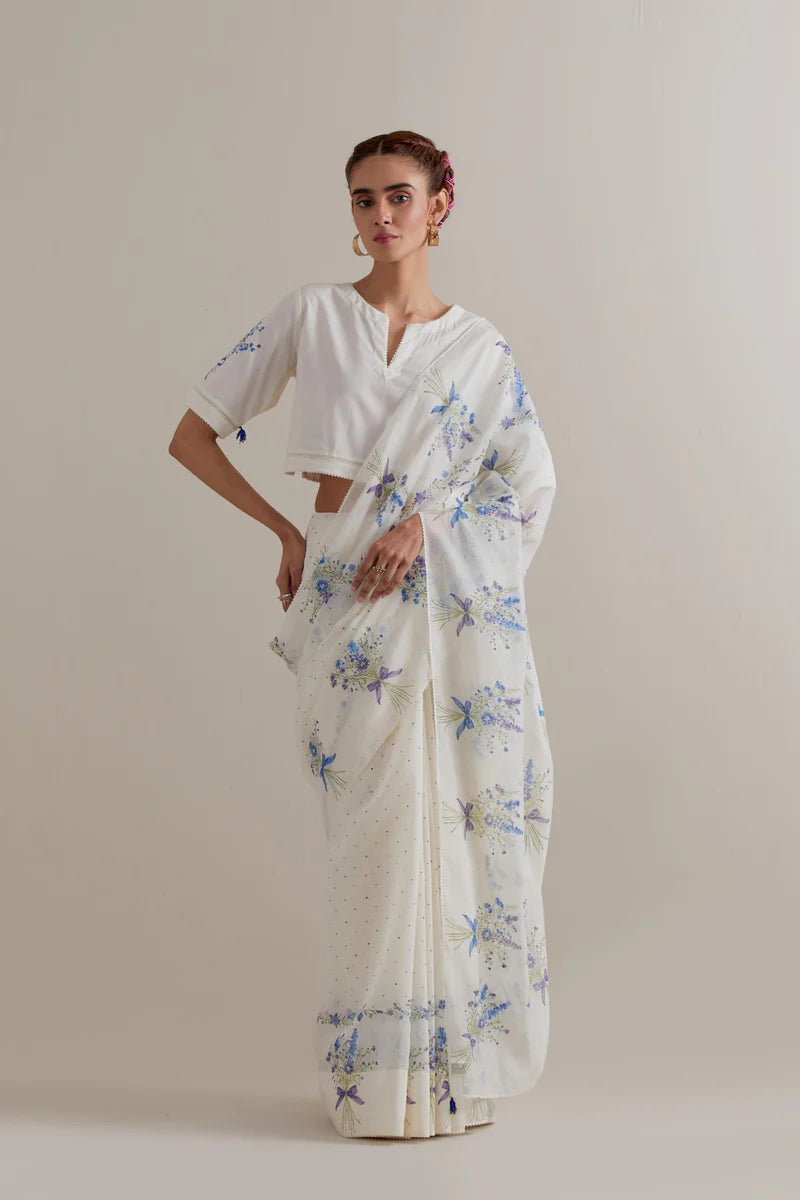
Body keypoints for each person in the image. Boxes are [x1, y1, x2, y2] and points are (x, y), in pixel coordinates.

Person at [169, 130, 557, 1140]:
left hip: (434, 594)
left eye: (398, 196)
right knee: (370, 835)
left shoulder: (478, 350)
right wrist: (287, 531)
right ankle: (374, 1082)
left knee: (441, 824)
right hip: (345, 591)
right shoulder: (311, 315)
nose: (379, 215)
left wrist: (429, 528)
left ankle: (445, 1078)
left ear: (439, 205)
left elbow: (528, 487)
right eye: (362, 198)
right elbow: (191, 434)